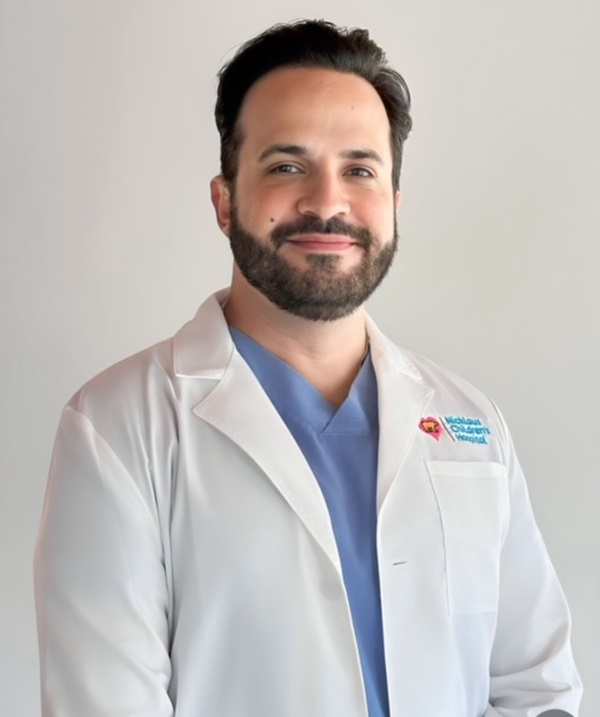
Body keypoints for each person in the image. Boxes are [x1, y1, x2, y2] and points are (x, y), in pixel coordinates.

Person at [34, 19, 582, 717]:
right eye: (287, 166)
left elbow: (538, 689)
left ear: (393, 206)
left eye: (360, 169)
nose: (328, 201)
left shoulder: (470, 422)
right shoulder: (117, 428)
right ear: (225, 199)